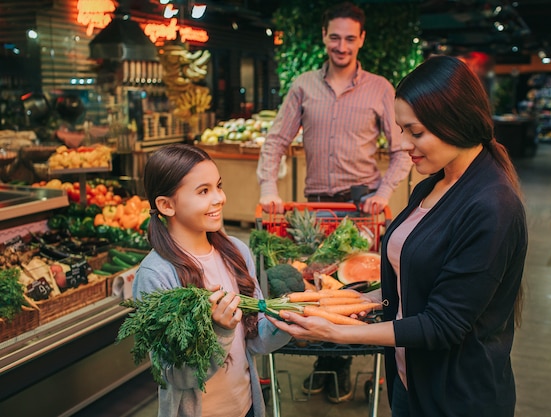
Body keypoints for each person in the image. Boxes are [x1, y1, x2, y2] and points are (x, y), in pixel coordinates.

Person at [268, 55, 528, 417]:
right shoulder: (432, 186)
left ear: (457, 121)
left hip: (456, 397)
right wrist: (345, 302)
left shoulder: (492, 206)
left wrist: (338, 333)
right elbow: (410, 283)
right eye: (402, 130)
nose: (404, 144)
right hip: (409, 380)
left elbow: (444, 324)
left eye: (416, 132)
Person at [256, 2, 412, 403]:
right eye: (334, 37)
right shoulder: (304, 85)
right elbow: (276, 140)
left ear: (361, 40)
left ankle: (337, 366)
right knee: (314, 287)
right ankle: (325, 361)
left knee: (351, 293)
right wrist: (268, 189)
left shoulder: (379, 88)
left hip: (361, 210)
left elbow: (402, 149)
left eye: (350, 38)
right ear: (324, 37)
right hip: (315, 208)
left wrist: (383, 193)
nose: (341, 45)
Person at [132, 144, 291, 417]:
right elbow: (176, 376)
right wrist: (220, 332)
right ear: (166, 205)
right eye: (204, 191)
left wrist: (287, 320)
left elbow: (255, 340)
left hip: (247, 406)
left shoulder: (236, 252)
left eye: (218, 186)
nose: (219, 198)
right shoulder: (156, 276)